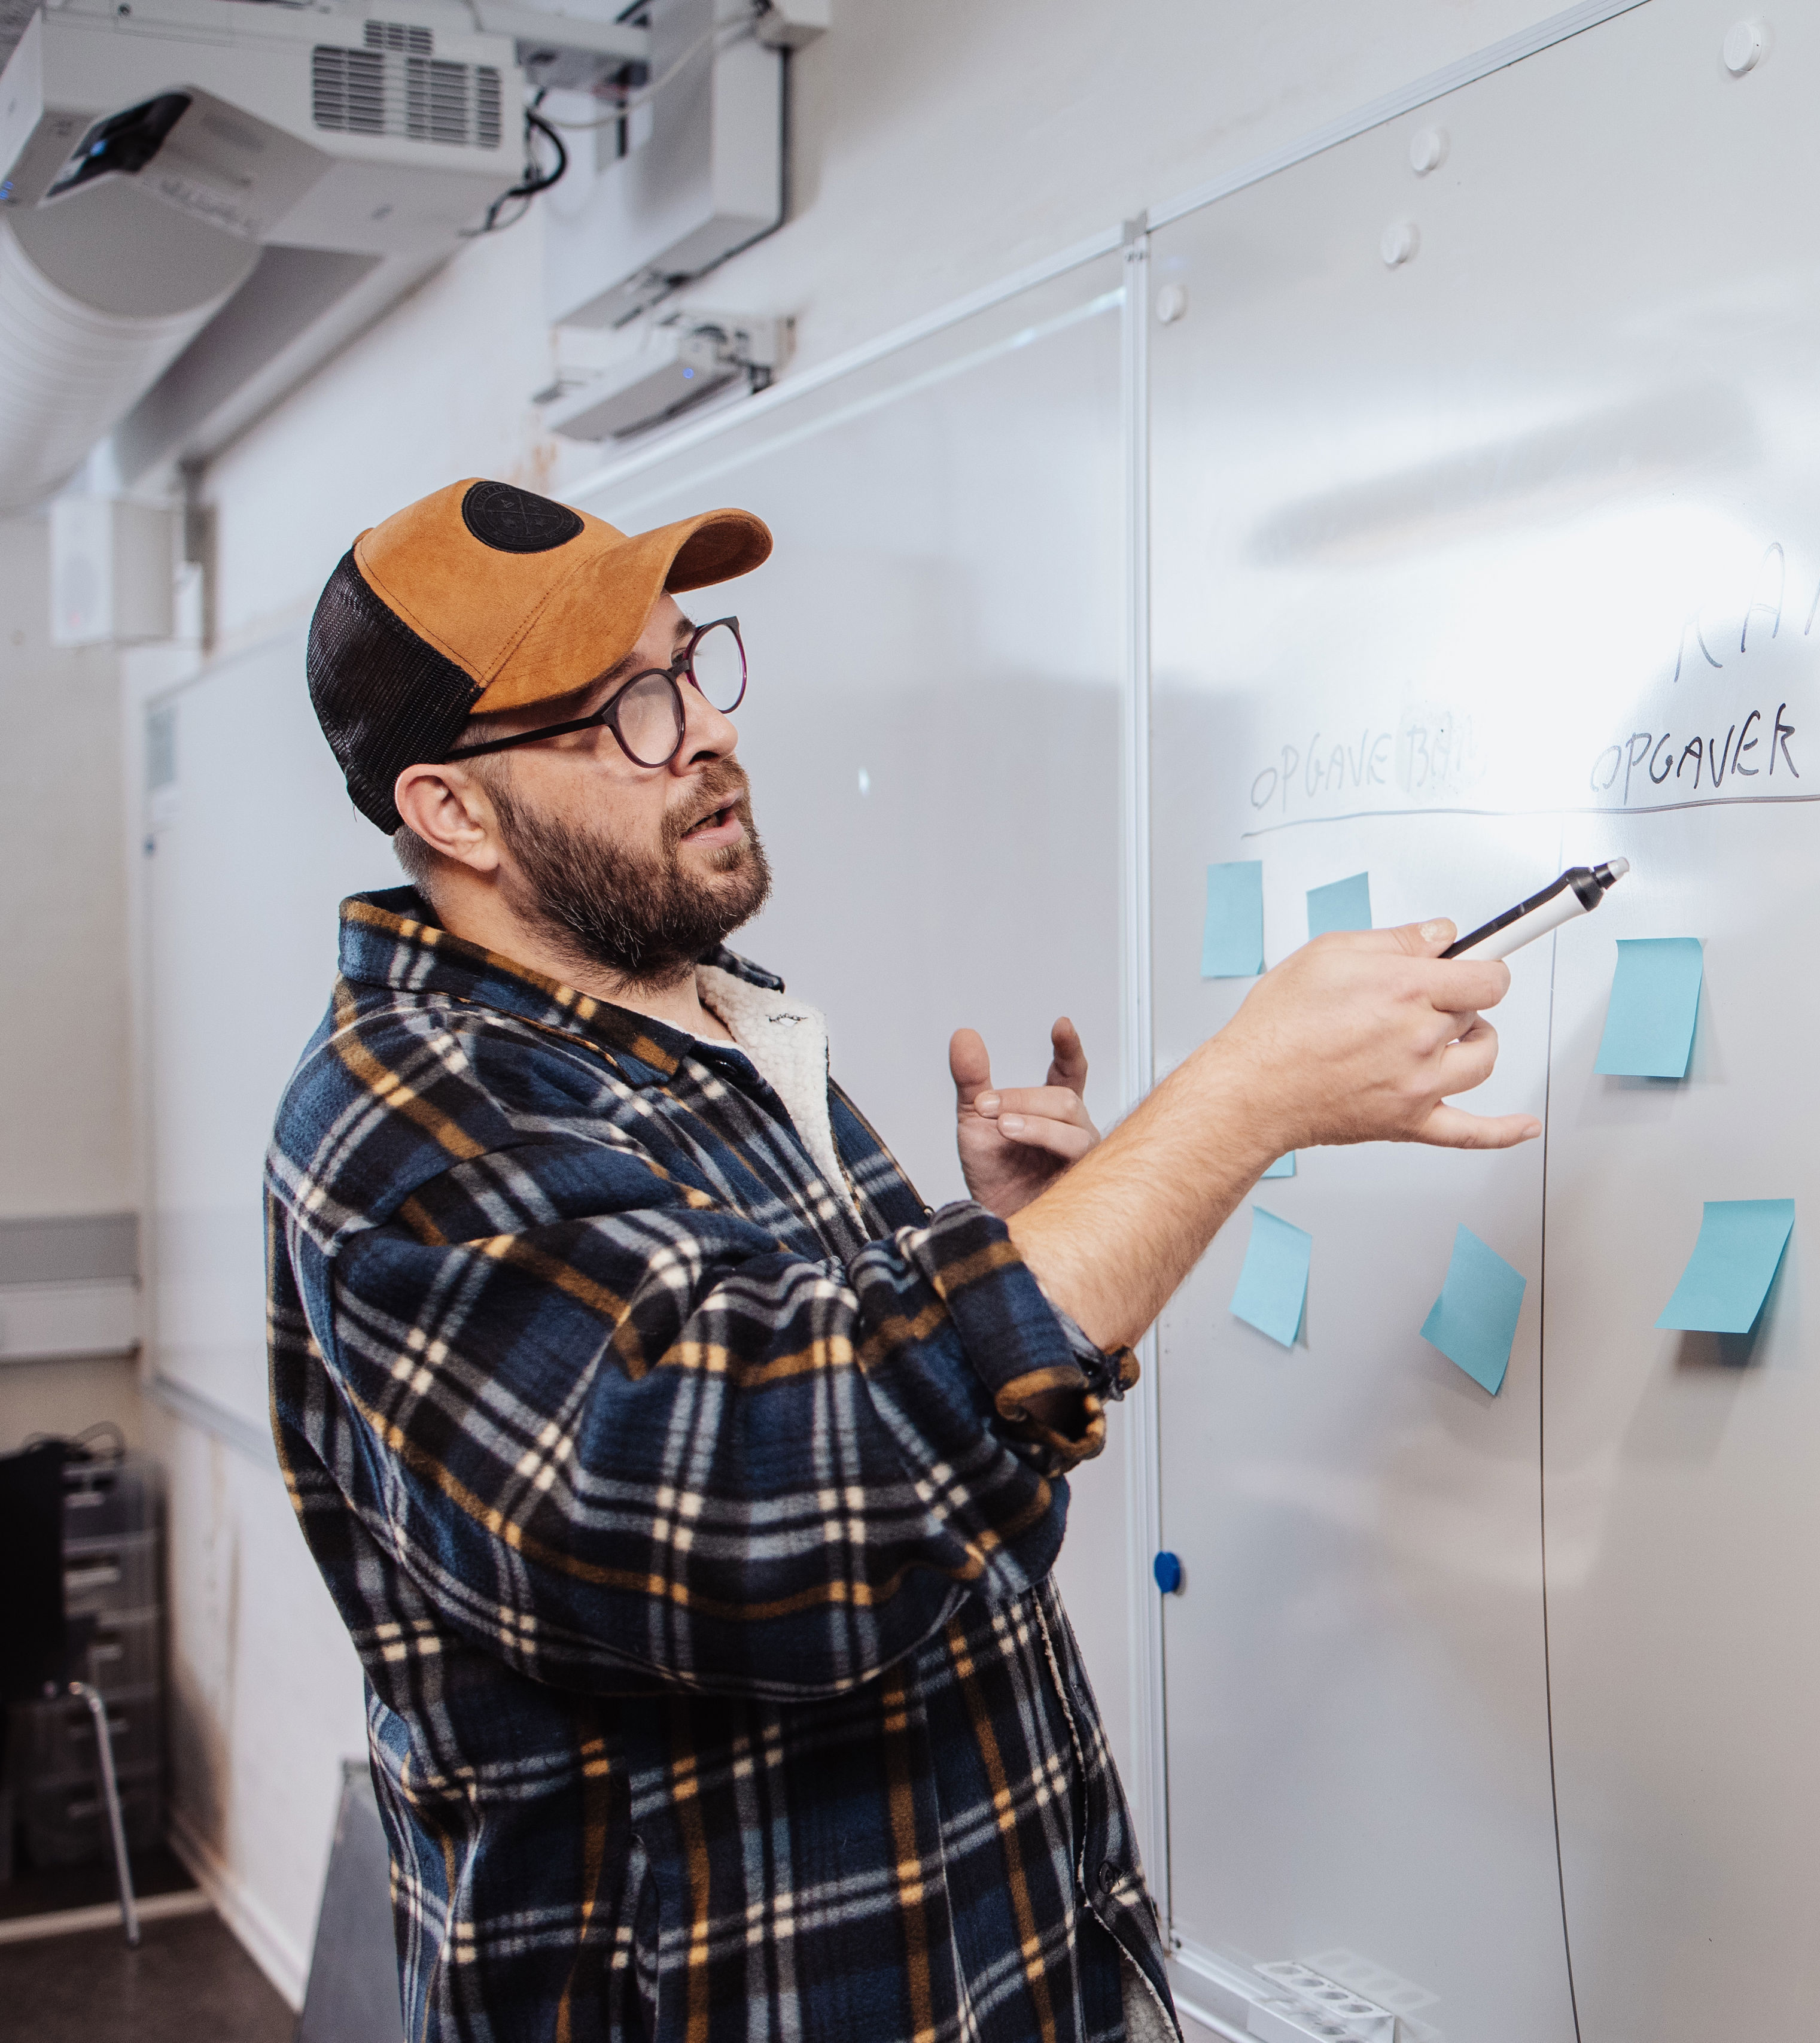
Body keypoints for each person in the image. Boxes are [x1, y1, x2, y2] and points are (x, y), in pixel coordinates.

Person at [268, 479, 1537, 2043]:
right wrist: (1241, 1099)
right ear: (452, 811)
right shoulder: (415, 1130)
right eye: (629, 711)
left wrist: (1026, 1245)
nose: (710, 729)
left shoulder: (713, 1025)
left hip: (999, 1967)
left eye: (693, 665)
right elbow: (788, 1521)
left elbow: (919, 1479)